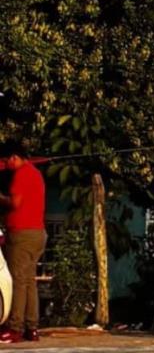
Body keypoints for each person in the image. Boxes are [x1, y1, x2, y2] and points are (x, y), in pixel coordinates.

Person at [0, 142, 47, 344]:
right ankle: (32, 327)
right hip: (37, 233)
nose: (5, 165)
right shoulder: (35, 173)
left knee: (18, 281)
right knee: (29, 281)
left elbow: (15, 202)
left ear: (14, 157)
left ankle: (15, 328)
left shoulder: (21, 174)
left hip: (21, 234)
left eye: (5, 160)